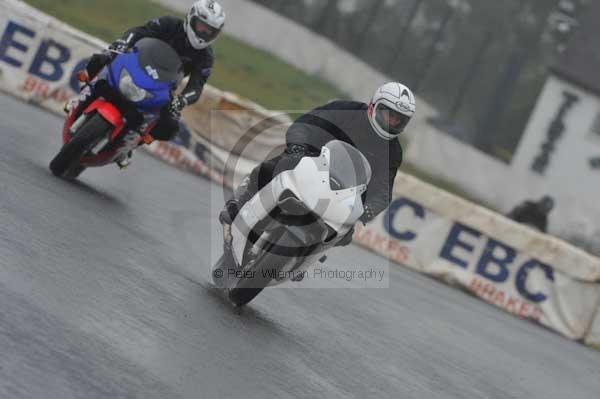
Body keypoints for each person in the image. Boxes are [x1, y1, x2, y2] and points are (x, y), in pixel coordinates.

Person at [220, 82, 416, 246]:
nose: (392, 122)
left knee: (345, 236)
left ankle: (304, 257)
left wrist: (370, 208)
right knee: (280, 164)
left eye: (399, 120)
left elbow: (383, 188)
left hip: (347, 191)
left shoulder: (394, 150)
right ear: (374, 106)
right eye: (389, 115)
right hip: (312, 161)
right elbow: (306, 123)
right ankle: (240, 201)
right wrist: (298, 147)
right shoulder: (345, 109)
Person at [83, 0, 225, 164]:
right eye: (202, 26)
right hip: (136, 64)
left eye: (210, 31)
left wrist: (182, 100)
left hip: (161, 87)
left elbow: (197, 85)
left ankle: (131, 145)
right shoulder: (169, 23)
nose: (205, 32)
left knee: (170, 126)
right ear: (191, 18)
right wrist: (123, 43)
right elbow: (139, 32)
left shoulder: (206, 56)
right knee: (103, 58)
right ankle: (84, 92)